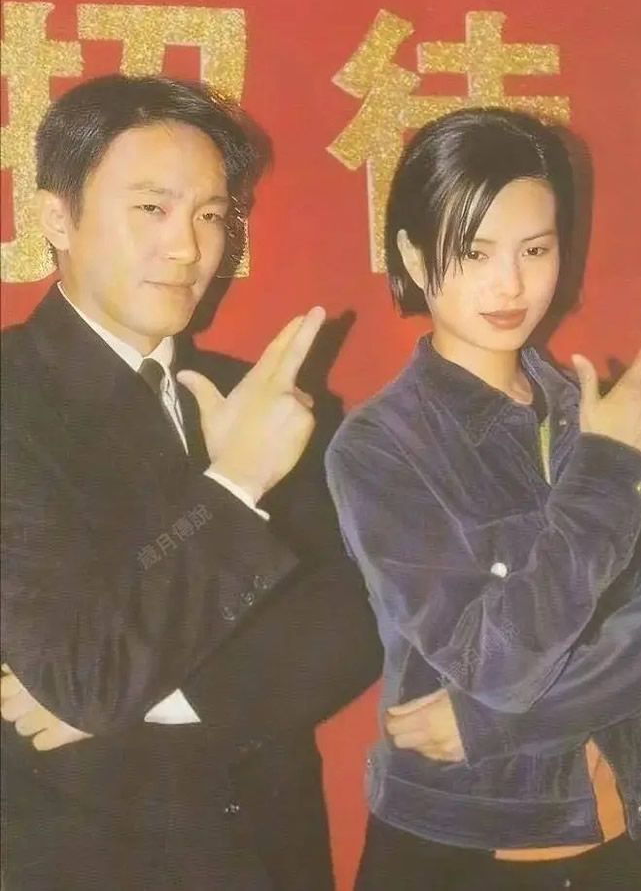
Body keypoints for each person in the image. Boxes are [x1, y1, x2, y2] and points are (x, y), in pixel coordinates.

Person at [0, 74, 383, 891]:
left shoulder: (266, 397)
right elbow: (85, 672)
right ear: (56, 218)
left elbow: (356, 618)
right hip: (85, 862)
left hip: (272, 855)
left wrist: (183, 694)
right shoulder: (11, 398)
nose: (189, 248)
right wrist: (235, 482)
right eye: (152, 208)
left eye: (211, 215)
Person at [325, 107, 641, 891]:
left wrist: (481, 723)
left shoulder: (589, 412)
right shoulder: (381, 446)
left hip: (609, 825)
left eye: (536, 248)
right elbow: (497, 663)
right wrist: (610, 472)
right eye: (474, 251)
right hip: (462, 845)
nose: (512, 283)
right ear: (413, 255)